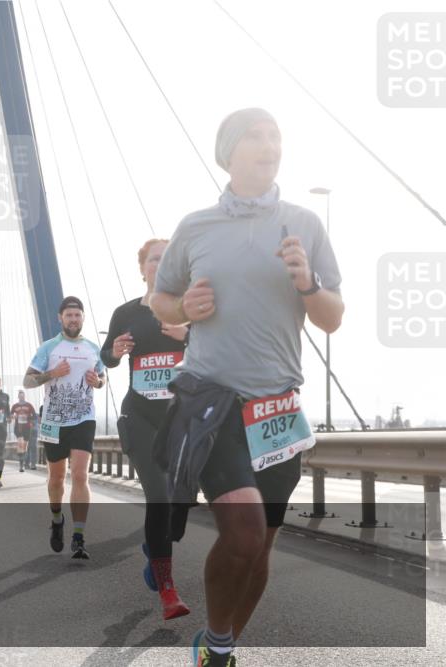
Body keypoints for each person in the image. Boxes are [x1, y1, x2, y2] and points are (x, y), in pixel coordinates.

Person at [149, 109, 343, 667]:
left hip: (278, 411)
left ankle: (220, 646)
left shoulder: (304, 223)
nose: (269, 145)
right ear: (228, 153)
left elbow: (332, 318)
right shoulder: (197, 226)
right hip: (213, 404)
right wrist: (183, 307)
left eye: (276, 136)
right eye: (255, 137)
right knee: (243, 531)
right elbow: (162, 299)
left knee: (261, 549)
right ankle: (215, 639)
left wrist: (307, 283)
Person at [101, 238, 191, 620]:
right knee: (158, 497)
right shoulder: (126, 312)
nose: (162, 263)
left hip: (183, 417)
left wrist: (188, 335)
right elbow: (107, 356)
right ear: (143, 268)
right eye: (155, 258)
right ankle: (168, 590)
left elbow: (219, 348)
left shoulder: (193, 308)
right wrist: (116, 350)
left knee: (180, 510)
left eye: (169, 258)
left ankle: (154, 552)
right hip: (139, 416)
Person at [23, 296, 105, 559]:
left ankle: (79, 536)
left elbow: (102, 377)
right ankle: (57, 519)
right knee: (57, 478)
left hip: (84, 418)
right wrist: (52, 374)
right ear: (61, 318)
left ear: (83, 318)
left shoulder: (93, 348)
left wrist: (98, 381)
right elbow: (27, 380)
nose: (73, 319)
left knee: (80, 475)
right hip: (53, 420)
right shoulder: (49, 348)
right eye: (68, 315)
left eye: (77, 315)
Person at [10, 390, 36, 473]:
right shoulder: (14, 406)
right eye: (20, 396)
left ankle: (25, 464)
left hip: (27, 428)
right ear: (18, 397)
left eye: (23, 396)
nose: (21, 397)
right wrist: (13, 416)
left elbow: (34, 416)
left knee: (25, 447)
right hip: (18, 428)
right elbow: (10, 416)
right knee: (20, 446)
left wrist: (30, 419)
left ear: (24, 396)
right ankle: (21, 465)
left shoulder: (29, 405)